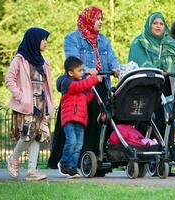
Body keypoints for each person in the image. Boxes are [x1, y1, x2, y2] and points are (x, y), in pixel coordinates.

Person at [48, 6, 120, 177]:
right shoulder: (73, 38)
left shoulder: (103, 40)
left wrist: (116, 67)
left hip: (101, 85)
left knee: (99, 124)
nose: (100, 22)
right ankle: (71, 161)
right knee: (78, 125)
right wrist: (88, 70)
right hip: (82, 86)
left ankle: (94, 160)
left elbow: (111, 57)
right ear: (88, 20)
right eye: (97, 18)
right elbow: (72, 60)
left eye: (102, 18)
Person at [128, 12, 175, 176]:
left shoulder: (169, 43)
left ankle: (162, 160)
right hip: (145, 85)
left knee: (164, 121)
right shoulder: (140, 42)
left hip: (164, 86)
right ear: (149, 25)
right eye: (155, 23)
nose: (159, 26)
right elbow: (140, 62)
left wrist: (168, 69)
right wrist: (158, 68)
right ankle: (142, 157)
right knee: (146, 120)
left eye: (161, 23)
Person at [5, 27, 54, 181]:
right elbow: (9, 79)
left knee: (38, 136)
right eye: (43, 39)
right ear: (33, 40)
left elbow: (47, 84)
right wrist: (20, 96)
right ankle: (13, 158)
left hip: (41, 103)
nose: (45, 42)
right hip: (28, 103)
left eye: (46, 39)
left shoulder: (44, 61)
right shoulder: (20, 59)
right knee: (27, 135)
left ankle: (32, 170)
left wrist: (49, 104)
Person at [57, 56, 102, 178]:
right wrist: (93, 79)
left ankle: (72, 168)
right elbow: (79, 87)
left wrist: (91, 91)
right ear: (71, 72)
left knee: (78, 145)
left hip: (81, 120)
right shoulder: (67, 83)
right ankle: (63, 163)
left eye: (83, 70)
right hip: (69, 118)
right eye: (80, 70)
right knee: (71, 141)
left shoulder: (80, 84)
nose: (82, 72)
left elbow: (86, 98)